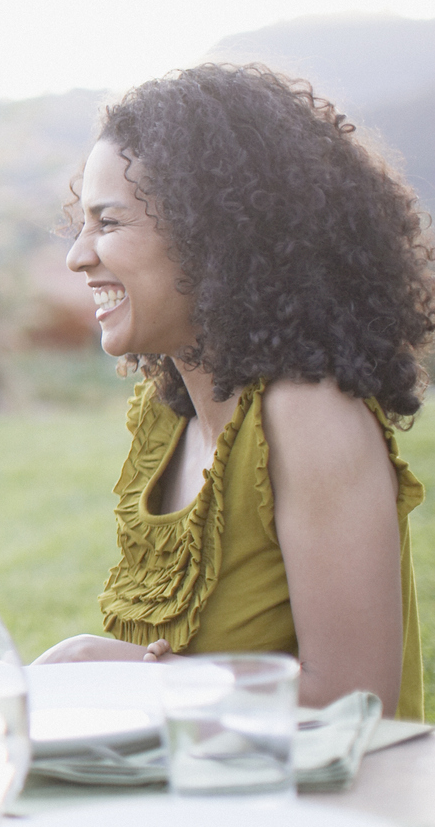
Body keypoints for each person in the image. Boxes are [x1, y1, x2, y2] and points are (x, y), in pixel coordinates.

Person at [39, 65, 434, 718]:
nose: (76, 257)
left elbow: (352, 705)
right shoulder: (166, 417)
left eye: (107, 224)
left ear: (211, 237)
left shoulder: (307, 416)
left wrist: (111, 672)